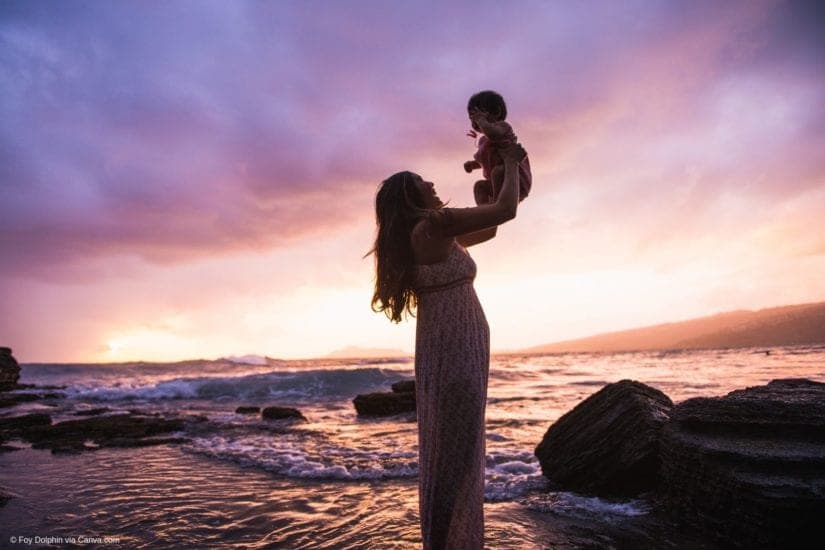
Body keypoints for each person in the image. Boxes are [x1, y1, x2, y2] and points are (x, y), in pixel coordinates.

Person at [367, 142, 526, 549]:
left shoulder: (427, 232)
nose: (433, 182)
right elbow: (505, 211)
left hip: (452, 342)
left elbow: (490, 226)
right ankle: (449, 542)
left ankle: (452, 540)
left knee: (455, 448)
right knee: (456, 453)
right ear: (411, 195)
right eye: (423, 181)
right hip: (454, 345)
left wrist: (491, 174)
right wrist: (507, 158)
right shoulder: (433, 224)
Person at [464, 90, 532, 206]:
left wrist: (482, 122)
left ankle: (496, 206)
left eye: (478, 115)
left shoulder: (503, 127)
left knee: (497, 171)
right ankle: (486, 215)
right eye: (472, 119)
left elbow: (493, 134)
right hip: (498, 185)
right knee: (479, 186)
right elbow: (486, 160)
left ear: (496, 112)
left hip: (516, 180)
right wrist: (473, 164)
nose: (475, 122)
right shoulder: (484, 141)